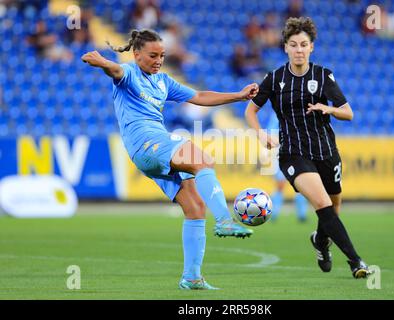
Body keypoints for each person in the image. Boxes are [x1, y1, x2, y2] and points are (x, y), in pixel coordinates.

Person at [81, 29, 259, 290]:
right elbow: (115, 71)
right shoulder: (129, 73)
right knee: (202, 160)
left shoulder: (163, 81)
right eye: (152, 55)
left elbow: (199, 97)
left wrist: (239, 95)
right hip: (147, 143)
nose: (158, 60)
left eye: (162, 55)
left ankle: (192, 277)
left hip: (154, 150)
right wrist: (103, 63)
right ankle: (225, 221)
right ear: (137, 54)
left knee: (195, 207)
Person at [245, 17, 371, 279]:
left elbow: (349, 114)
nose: (299, 49)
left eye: (304, 44)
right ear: (286, 48)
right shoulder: (275, 78)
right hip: (293, 153)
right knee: (323, 203)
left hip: (326, 151)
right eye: (294, 44)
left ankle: (321, 241)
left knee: (333, 207)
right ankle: (356, 261)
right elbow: (251, 110)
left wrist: (330, 109)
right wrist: (260, 135)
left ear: (311, 47)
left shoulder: (323, 76)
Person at [266, 112, 308, 222]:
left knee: (301, 185)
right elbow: (270, 135)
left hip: (298, 154)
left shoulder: (298, 112)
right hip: (282, 154)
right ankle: (274, 213)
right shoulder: (276, 115)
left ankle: (302, 214)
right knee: (280, 185)